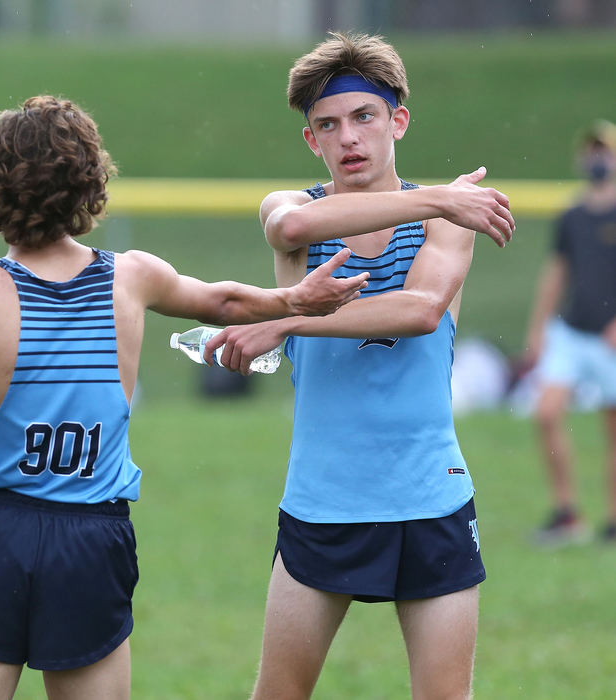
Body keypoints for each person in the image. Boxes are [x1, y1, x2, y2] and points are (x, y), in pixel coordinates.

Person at [0, 95, 369, 700]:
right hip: (89, 539)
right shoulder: (131, 276)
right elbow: (225, 300)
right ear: (89, 185)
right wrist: (291, 300)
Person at [204, 32, 514, 699]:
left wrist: (283, 321)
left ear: (397, 120)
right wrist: (437, 196)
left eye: (365, 117)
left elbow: (421, 309)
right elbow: (289, 232)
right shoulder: (296, 209)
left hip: (430, 494)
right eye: (328, 125)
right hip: (325, 497)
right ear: (311, 141)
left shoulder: (445, 220)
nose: (349, 137)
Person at [524, 119, 616, 546]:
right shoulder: (572, 214)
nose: (598, 158)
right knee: (546, 413)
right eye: (592, 150)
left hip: (611, 337)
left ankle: (612, 520)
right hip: (573, 331)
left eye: (605, 150)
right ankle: (567, 513)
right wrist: (538, 328)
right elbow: (556, 272)